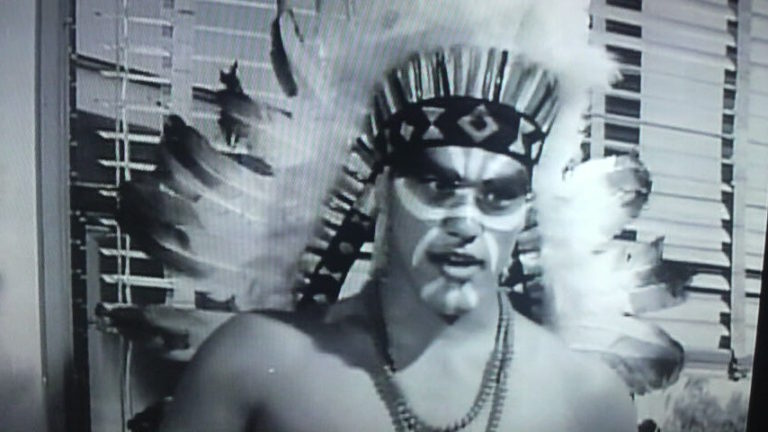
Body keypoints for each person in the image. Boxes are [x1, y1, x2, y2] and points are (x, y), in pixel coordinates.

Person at [152, 0, 640, 427]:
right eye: (438, 186)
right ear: (379, 192)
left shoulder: (592, 400)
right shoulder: (250, 363)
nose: (466, 223)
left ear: (524, 212)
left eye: (498, 196)